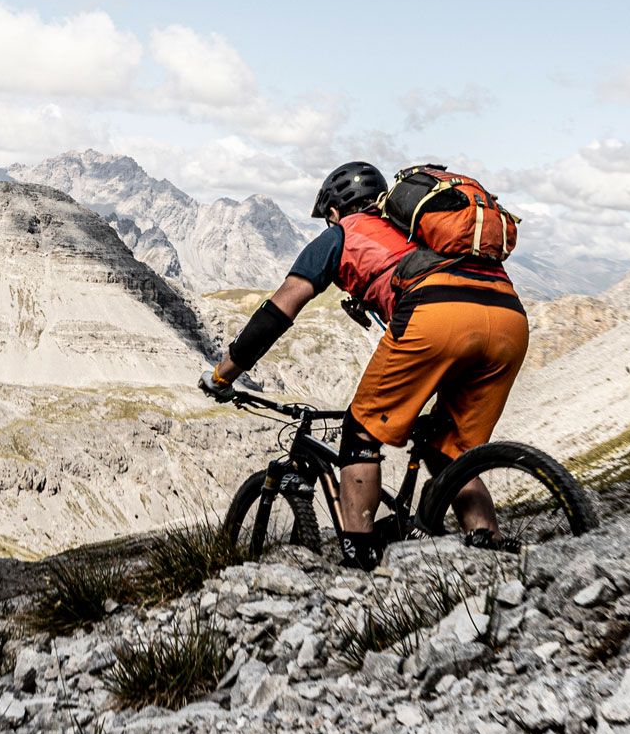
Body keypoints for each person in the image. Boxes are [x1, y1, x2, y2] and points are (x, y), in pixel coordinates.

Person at [200, 161, 529, 570]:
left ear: (335, 211)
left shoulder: (341, 235)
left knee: (360, 431)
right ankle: (488, 543)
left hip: (437, 316)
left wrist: (223, 374)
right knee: (453, 449)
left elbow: (280, 310)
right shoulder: (418, 232)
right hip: (510, 320)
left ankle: (360, 558)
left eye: (327, 218)